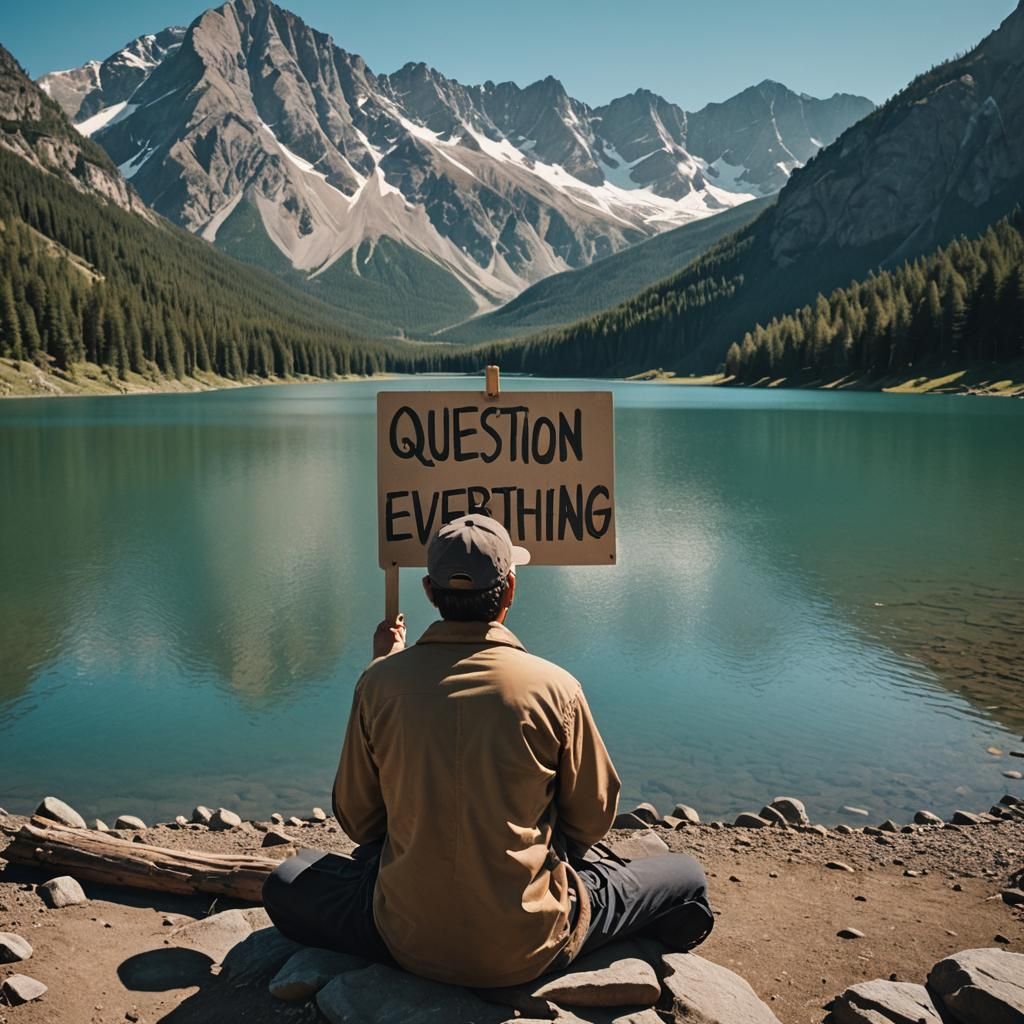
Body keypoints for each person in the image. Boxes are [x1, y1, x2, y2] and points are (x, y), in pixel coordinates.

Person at [263, 514, 713, 988]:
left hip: (406, 938)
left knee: (288, 881)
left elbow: (359, 821)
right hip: (529, 942)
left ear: (429, 592)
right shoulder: (556, 688)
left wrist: (384, 664)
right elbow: (592, 818)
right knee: (686, 878)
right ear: (510, 590)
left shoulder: (378, 684)